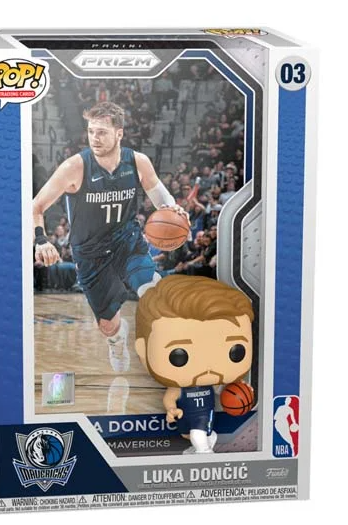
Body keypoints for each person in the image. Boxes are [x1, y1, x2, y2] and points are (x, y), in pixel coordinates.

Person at [31, 101, 188, 373]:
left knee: (151, 290)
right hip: (90, 253)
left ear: (119, 133)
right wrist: (41, 240)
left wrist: (173, 209)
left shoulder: (138, 162)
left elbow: (161, 196)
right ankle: (117, 338)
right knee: (108, 325)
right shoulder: (74, 167)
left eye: (102, 132)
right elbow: (36, 206)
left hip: (127, 242)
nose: (95, 138)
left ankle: (169, 348)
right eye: (91, 131)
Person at [134, 275, 254, 454]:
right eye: (179, 356)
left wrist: (241, 391)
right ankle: (204, 445)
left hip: (204, 414)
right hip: (185, 415)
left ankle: (205, 454)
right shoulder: (178, 388)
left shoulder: (212, 382)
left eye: (235, 352)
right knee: (192, 434)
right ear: (143, 350)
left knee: (198, 433)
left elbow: (227, 390)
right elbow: (169, 398)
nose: (208, 366)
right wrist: (171, 409)